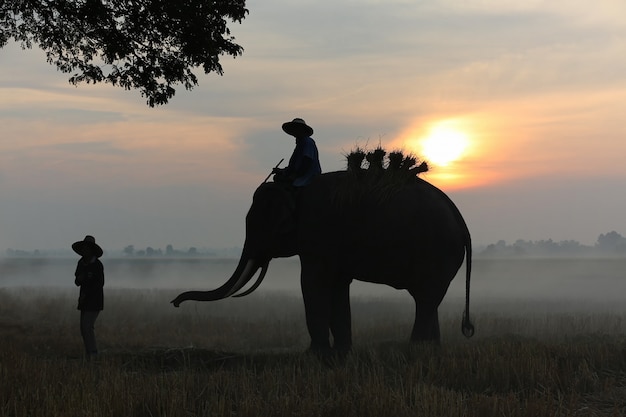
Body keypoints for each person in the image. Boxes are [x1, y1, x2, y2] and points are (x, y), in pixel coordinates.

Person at [72, 235, 104, 359]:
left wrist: (87, 294)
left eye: (87, 249)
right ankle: (89, 353)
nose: (85, 251)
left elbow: (99, 284)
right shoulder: (81, 263)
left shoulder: (97, 265)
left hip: (94, 300)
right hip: (84, 299)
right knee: (83, 328)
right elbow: (77, 280)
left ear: (91, 250)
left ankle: (93, 353)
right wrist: (80, 279)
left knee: (87, 326)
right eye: (83, 249)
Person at [273, 118, 322, 187]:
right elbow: (293, 166)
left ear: (302, 129)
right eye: (294, 128)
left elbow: (307, 161)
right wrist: (282, 171)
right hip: (299, 174)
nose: (295, 130)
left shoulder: (307, 142)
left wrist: (296, 175)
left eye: (297, 128)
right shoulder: (300, 144)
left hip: (308, 175)